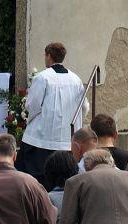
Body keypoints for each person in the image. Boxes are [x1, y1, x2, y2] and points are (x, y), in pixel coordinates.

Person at [19, 43, 86, 184]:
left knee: (37, 178)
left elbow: (33, 105)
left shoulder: (42, 77)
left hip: (43, 139)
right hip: (67, 139)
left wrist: (30, 120)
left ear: (48, 56)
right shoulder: (76, 79)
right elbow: (84, 106)